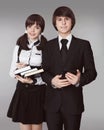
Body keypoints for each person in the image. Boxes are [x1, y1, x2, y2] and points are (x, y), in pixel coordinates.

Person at [42, 6, 97, 130]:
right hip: (52, 104)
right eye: (59, 19)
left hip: (73, 103)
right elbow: (43, 71)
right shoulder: (48, 46)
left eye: (66, 19)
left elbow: (92, 72)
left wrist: (79, 81)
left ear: (72, 21)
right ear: (55, 23)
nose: (63, 22)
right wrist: (52, 81)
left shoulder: (83, 45)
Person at [7, 14, 47, 130]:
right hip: (22, 90)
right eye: (30, 26)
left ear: (41, 30)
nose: (32, 30)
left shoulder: (46, 46)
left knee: (36, 126)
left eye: (37, 27)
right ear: (26, 27)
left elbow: (47, 73)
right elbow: (11, 72)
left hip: (38, 91)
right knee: (24, 126)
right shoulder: (19, 46)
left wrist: (32, 79)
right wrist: (19, 70)